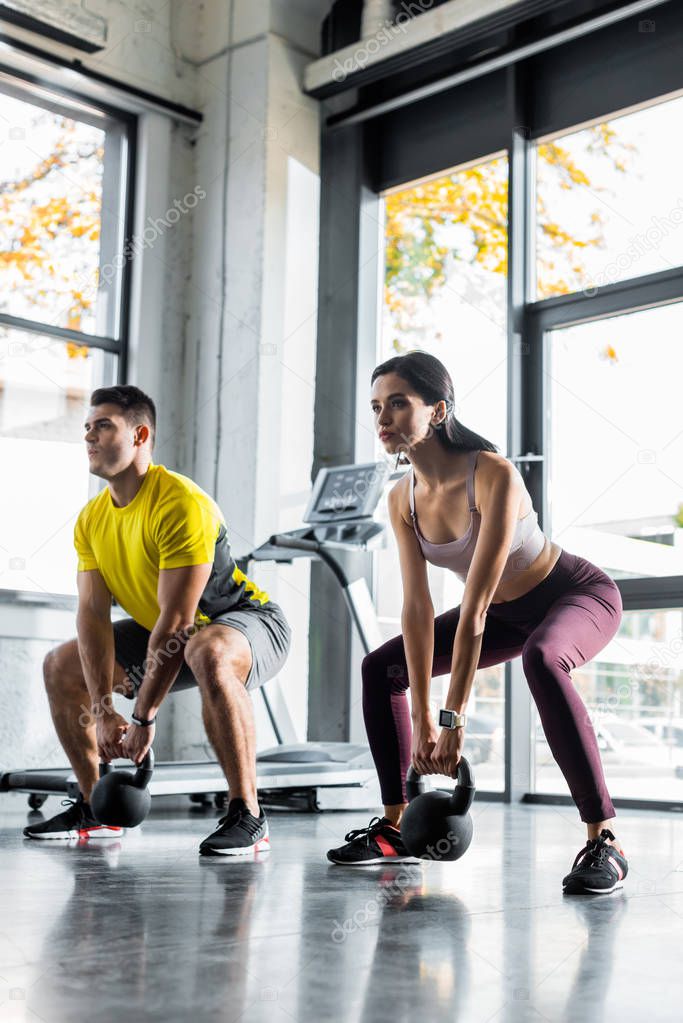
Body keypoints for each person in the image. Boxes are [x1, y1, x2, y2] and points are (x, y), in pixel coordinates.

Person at [327, 352, 628, 895]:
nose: (383, 419)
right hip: (506, 615)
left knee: (542, 658)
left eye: (398, 403)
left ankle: (603, 839)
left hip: (574, 594)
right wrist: (419, 712)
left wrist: (451, 718)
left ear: (438, 410)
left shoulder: (493, 474)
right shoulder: (402, 498)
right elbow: (417, 607)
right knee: (381, 667)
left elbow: (476, 604)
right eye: (376, 407)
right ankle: (396, 825)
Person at [24, 385, 291, 856]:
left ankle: (248, 814)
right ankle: (96, 808)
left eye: (103, 425)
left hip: (245, 623)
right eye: (87, 426)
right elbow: (91, 618)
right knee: (59, 665)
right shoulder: (92, 519)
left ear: (140, 434)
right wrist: (104, 711)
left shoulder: (179, 503)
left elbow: (178, 623)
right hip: (169, 635)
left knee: (206, 648)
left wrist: (142, 717)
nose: (89, 435)